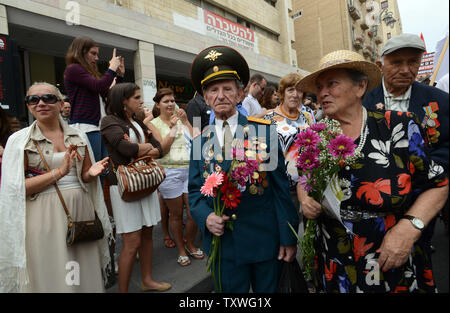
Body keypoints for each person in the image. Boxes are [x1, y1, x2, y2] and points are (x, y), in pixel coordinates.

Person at [296, 49, 448, 293]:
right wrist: (305, 198)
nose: (322, 93)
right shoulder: (317, 135)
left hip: (390, 255)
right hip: (335, 257)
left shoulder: (398, 126)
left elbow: (438, 184)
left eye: (331, 84)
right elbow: (304, 177)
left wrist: (409, 228)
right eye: (320, 86)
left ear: (360, 87)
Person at [188, 45, 299, 293]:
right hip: (223, 245)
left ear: (240, 95)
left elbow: (281, 190)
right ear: (205, 98)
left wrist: (288, 236)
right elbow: (195, 192)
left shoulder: (264, 132)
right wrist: (206, 217)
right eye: (213, 90)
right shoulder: (199, 144)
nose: (221, 95)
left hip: (263, 241)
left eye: (227, 89)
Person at [0, 82, 113, 292]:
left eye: (48, 98)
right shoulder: (19, 141)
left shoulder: (78, 136)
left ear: (60, 103)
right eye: (34, 99)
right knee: (54, 271)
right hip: (44, 215)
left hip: (81, 212)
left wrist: (92, 172)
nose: (41, 103)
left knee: (81, 270)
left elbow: (85, 175)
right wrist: (59, 173)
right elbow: (17, 189)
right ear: (28, 106)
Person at [363, 33, 449, 254]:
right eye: (397, 62)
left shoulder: (439, 101)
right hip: (374, 208)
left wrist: (424, 171)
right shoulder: (363, 102)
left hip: (422, 205)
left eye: (413, 62)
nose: (405, 69)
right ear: (380, 65)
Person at [100, 82, 170, 293]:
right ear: (123, 100)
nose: (142, 101)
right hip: (125, 186)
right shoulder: (108, 121)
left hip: (145, 182)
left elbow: (160, 148)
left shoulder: (137, 121)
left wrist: (142, 149)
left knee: (148, 233)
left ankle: (147, 280)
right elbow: (125, 148)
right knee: (131, 242)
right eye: (137, 97)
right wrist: (147, 148)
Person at [149, 88, 202, 267]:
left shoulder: (181, 120)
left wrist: (186, 121)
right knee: (176, 215)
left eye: (172, 100)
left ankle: (190, 242)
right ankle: (181, 249)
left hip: (189, 170)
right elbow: (161, 150)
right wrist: (172, 128)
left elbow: (198, 139)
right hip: (169, 173)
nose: (171, 104)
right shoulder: (153, 124)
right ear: (158, 104)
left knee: (193, 211)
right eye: (166, 101)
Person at [64, 36, 125, 164]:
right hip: (87, 128)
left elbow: (109, 95)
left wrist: (119, 76)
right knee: (94, 170)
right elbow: (100, 86)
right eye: (93, 53)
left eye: (97, 54)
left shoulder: (88, 74)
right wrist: (112, 68)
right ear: (81, 52)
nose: (96, 58)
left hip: (99, 128)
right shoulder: (73, 69)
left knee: (102, 170)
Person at [264, 73, 315, 216]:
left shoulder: (307, 117)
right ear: (282, 93)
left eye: (299, 90)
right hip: (281, 188)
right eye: (290, 90)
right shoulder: (269, 119)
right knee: (288, 230)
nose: (295, 94)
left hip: (306, 185)